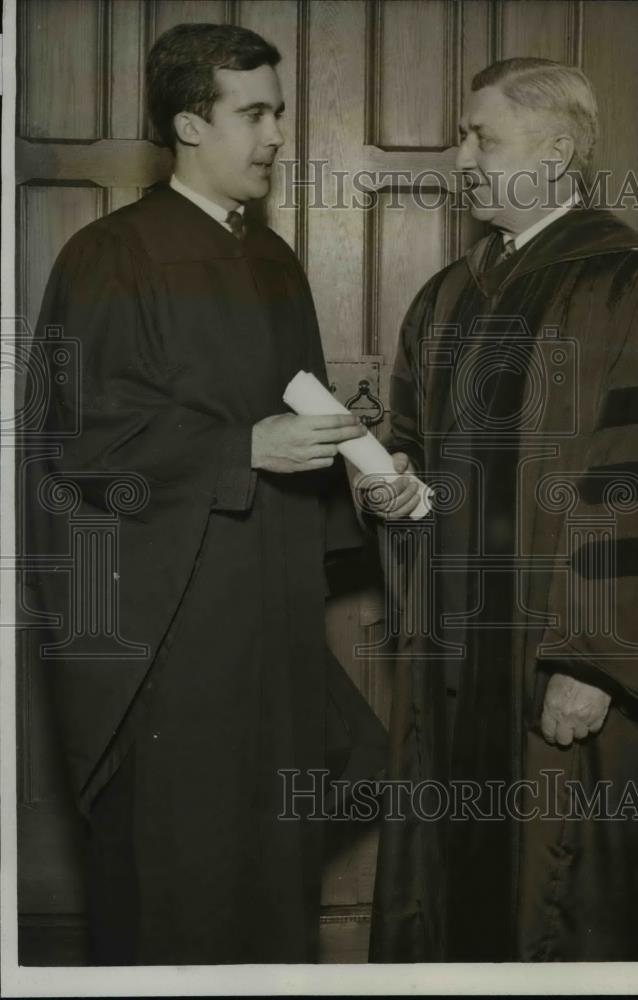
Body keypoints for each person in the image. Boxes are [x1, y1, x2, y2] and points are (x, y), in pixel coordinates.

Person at [23, 22, 386, 965]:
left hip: (267, 612)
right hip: (168, 625)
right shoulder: (112, 256)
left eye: (278, 113)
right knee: (175, 870)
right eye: (252, 113)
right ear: (190, 123)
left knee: (271, 857)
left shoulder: (272, 261)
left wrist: (359, 463)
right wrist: (240, 447)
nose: (274, 136)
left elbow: (292, 421)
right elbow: (80, 438)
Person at [367, 57, 638, 961]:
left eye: (480, 134)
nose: (460, 153)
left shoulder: (634, 281)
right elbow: (419, 452)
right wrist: (393, 482)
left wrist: (593, 663)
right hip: (458, 665)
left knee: (565, 909)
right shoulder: (448, 296)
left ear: (557, 148)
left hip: (564, 665)